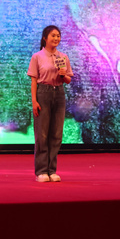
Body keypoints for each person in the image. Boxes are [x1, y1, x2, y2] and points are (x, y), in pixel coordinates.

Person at [27, 25, 73, 182]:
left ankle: (52, 170)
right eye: (53, 35)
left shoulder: (63, 57)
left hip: (59, 93)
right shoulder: (37, 57)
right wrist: (34, 101)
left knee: (56, 134)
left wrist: (63, 75)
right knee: (42, 134)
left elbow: (68, 80)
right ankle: (41, 171)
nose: (56, 38)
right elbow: (34, 81)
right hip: (43, 93)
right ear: (45, 38)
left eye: (58, 35)